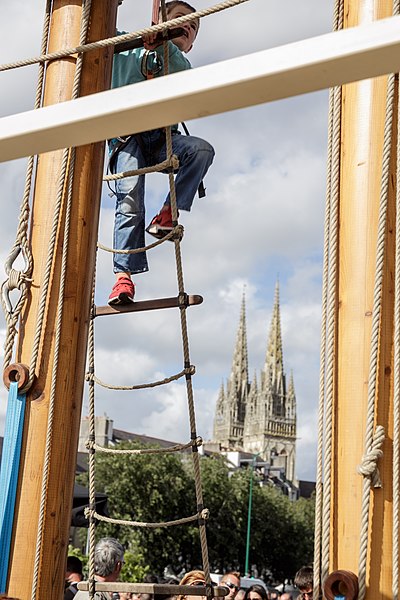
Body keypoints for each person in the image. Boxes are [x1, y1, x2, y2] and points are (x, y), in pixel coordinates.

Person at [107, 0, 215, 305]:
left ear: (191, 44)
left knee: (200, 150)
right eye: (180, 18)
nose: (187, 26)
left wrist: (161, 46)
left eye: (193, 27)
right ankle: (123, 277)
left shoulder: (180, 64)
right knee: (129, 199)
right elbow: (95, 36)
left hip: (161, 137)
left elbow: (179, 69)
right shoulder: (124, 48)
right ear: (160, 21)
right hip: (126, 137)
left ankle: (169, 213)